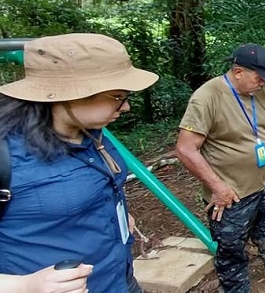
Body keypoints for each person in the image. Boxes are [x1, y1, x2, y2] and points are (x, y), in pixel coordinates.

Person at [0, 33, 159, 292]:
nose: (126, 106)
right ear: (72, 95)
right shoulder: (7, 154)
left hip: (119, 280)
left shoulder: (93, 132)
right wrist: (26, 285)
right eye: (118, 96)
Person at [175, 43, 265, 293]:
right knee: (231, 250)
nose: (264, 84)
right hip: (230, 194)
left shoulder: (258, 91)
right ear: (238, 71)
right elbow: (185, 149)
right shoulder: (207, 97)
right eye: (260, 78)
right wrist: (217, 187)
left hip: (259, 184)